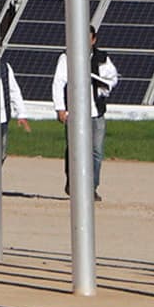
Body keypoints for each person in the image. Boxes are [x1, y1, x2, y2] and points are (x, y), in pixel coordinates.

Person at [51, 46, 116, 201]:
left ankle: (91, 187)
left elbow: (113, 78)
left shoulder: (102, 58)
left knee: (96, 151)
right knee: (74, 149)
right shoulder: (67, 57)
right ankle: (72, 182)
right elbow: (58, 82)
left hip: (96, 112)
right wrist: (60, 108)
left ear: (93, 39)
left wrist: (104, 87)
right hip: (75, 113)